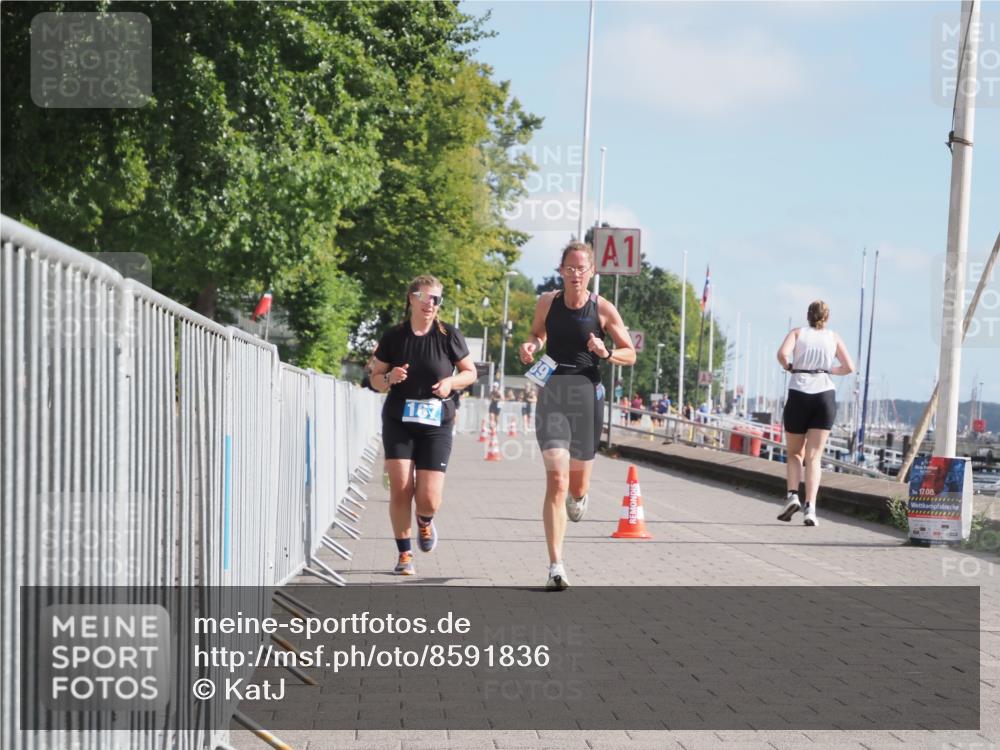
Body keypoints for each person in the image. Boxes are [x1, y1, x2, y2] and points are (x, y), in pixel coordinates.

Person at [519, 241, 635, 589]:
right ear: (561, 270)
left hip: (586, 396)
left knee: (576, 485)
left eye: (581, 268)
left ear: (592, 272)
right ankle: (556, 565)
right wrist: (531, 345)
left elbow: (630, 353)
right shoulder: (547, 302)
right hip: (553, 391)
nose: (575, 274)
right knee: (556, 480)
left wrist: (606, 352)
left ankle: (580, 496)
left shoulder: (602, 309)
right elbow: (536, 333)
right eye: (569, 268)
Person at [370, 275, 478, 575]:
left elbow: (470, 373)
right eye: (427, 297)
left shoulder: (448, 336)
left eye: (437, 299)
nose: (432, 304)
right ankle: (404, 555)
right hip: (398, 420)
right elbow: (375, 378)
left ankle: (425, 521)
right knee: (401, 489)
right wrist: (389, 378)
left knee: (429, 498)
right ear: (412, 298)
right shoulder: (394, 336)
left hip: (436, 422)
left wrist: (450, 382)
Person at [775, 300, 855, 527]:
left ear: (808, 316)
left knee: (794, 454)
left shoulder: (798, 333)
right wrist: (830, 370)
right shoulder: (834, 337)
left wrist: (790, 366)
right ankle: (811, 508)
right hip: (824, 395)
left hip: (799, 392)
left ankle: (792, 495)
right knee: (814, 457)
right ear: (826, 318)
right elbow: (849, 367)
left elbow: (782, 354)